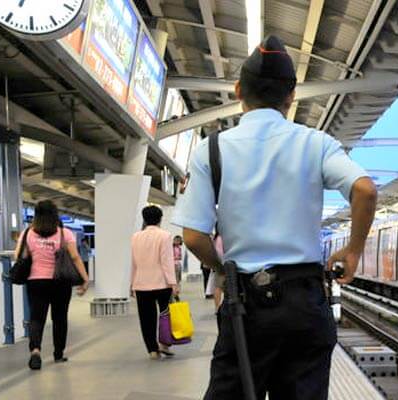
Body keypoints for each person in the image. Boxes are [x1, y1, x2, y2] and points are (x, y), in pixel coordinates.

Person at [173, 35, 377, 400]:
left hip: (245, 304)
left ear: (238, 90)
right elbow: (364, 190)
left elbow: (193, 237)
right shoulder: (316, 143)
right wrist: (353, 250)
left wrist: (221, 270)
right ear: (291, 96)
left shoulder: (212, 150)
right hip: (305, 301)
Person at [14, 200, 90, 370]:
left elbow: (17, 255)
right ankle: (58, 354)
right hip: (60, 281)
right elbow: (76, 258)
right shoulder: (65, 233)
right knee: (60, 318)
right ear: (55, 214)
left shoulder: (27, 233)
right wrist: (85, 279)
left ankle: (35, 350)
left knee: (36, 318)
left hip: (36, 281)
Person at [131, 206, 180, 360]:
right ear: (160, 218)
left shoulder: (135, 237)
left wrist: (131, 283)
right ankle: (165, 345)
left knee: (146, 318)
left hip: (141, 284)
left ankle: (152, 350)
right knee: (165, 315)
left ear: (144, 219)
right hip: (162, 283)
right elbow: (166, 261)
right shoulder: (165, 236)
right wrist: (174, 283)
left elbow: (133, 263)